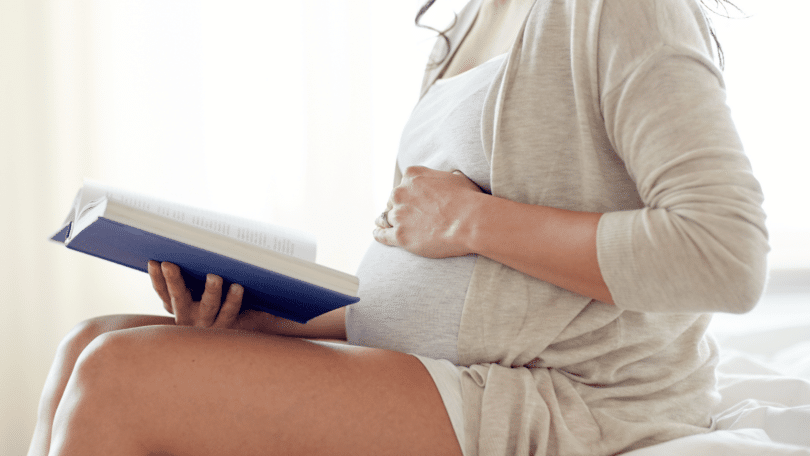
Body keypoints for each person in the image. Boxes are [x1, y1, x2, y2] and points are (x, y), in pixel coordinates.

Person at [28, 0, 768, 454]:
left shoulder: (619, 8)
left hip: (572, 398)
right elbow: (442, 287)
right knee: (93, 343)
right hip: (452, 367)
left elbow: (725, 254)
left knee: (119, 379)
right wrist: (268, 326)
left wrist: (475, 219)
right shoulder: (464, 26)